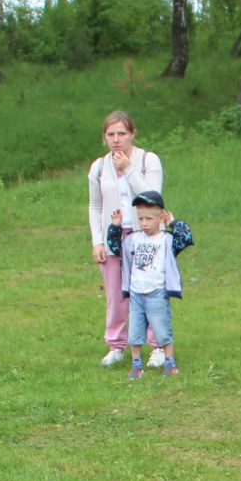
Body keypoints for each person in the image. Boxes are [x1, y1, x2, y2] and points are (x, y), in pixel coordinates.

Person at [87, 110, 164, 366]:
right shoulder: (98, 166)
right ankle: (116, 345)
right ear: (104, 137)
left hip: (145, 235)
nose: (116, 139)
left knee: (149, 291)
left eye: (121, 133)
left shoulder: (147, 160)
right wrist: (97, 241)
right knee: (115, 294)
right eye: (111, 134)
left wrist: (128, 169)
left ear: (132, 134)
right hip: (114, 236)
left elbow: (152, 197)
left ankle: (158, 346)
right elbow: (95, 206)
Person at [121, 191, 191, 379]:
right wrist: (114, 227)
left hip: (156, 293)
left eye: (149, 219)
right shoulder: (134, 239)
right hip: (137, 293)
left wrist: (174, 224)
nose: (144, 223)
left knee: (161, 329)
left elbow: (186, 237)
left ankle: (169, 363)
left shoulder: (167, 240)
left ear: (161, 218)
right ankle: (136, 365)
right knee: (135, 331)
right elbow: (115, 247)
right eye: (141, 219)